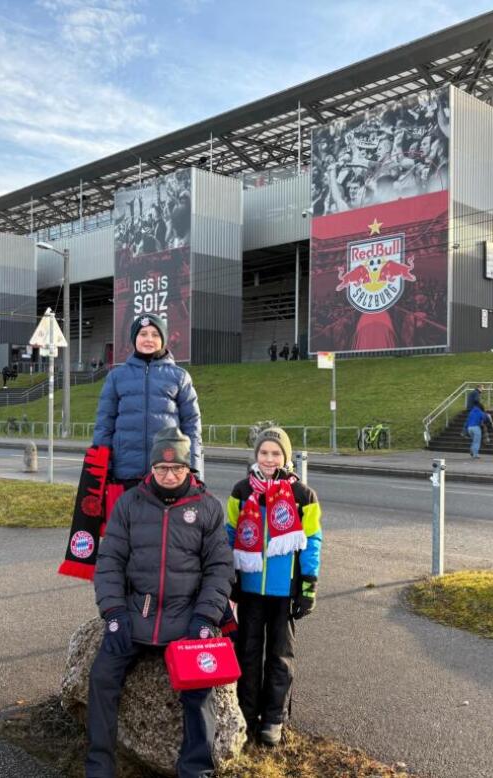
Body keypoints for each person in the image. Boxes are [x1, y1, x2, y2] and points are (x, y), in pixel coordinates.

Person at [87, 427, 233, 778]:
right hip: (136, 615)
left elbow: (220, 569)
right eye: (162, 469)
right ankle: (100, 768)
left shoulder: (208, 508)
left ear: (189, 469)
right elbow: (109, 562)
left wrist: (205, 617)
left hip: (187, 619)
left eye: (177, 469)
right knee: (102, 679)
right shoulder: (129, 503)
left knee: (199, 691)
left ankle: (195, 770)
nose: (169, 476)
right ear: (151, 468)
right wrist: (114, 612)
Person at [226, 427, 322, 747]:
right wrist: (229, 580)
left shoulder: (302, 495)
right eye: (264, 453)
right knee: (248, 654)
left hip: (285, 592)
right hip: (250, 590)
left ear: (286, 457)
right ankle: (247, 713)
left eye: (275, 453)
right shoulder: (241, 491)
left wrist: (308, 586)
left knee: (280, 657)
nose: (269, 459)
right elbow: (229, 535)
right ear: (256, 456)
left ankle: (273, 719)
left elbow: (311, 543)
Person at [93, 313, 202, 491]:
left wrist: (193, 467)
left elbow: (192, 424)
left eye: (155, 334)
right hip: (125, 473)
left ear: (163, 339)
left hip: (167, 471)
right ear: (134, 339)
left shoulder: (180, 377)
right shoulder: (116, 377)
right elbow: (104, 425)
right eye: (143, 334)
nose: (148, 339)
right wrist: (102, 466)